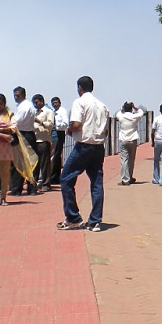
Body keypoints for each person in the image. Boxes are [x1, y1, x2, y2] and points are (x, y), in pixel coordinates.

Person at [57, 76, 110, 233]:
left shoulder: (79, 102)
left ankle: (73, 217)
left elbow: (77, 124)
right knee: (96, 183)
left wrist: (69, 130)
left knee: (66, 178)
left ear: (79, 87)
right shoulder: (102, 106)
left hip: (83, 146)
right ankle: (95, 221)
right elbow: (106, 130)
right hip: (98, 147)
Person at [9, 86, 38, 196]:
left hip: (22, 135)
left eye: (18, 95)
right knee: (30, 162)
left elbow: (16, 123)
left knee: (19, 162)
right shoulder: (27, 105)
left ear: (23, 95)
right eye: (15, 96)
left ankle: (16, 188)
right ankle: (32, 188)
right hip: (28, 133)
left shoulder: (24, 107)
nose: (16, 98)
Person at [116, 101, 145, 185]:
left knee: (124, 160)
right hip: (133, 139)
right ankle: (130, 176)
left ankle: (125, 179)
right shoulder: (134, 116)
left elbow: (118, 112)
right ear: (131, 108)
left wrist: (123, 107)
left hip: (123, 140)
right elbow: (141, 112)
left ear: (124, 108)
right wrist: (134, 107)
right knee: (131, 160)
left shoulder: (121, 116)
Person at [32, 94, 54, 192]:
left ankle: (46, 183)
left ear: (41, 101)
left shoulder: (48, 112)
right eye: (34, 103)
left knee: (45, 163)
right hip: (35, 140)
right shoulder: (35, 113)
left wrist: (40, 121)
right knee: (35, 163)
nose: (35, 105)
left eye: (36, 102)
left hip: (44, 140)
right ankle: (34, 183)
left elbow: (50, 125)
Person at [50, 96, 70, 185]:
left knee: (56, 156)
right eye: (53, 103)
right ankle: (54, 176)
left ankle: (55, 177)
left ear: (60, 103)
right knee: (55, 156)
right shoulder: (54, 112)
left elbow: (65, 124)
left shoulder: (62, 111)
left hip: (59, 134)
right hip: (54, 135)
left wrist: (56, 126)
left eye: (56, 102)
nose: (55, 104)